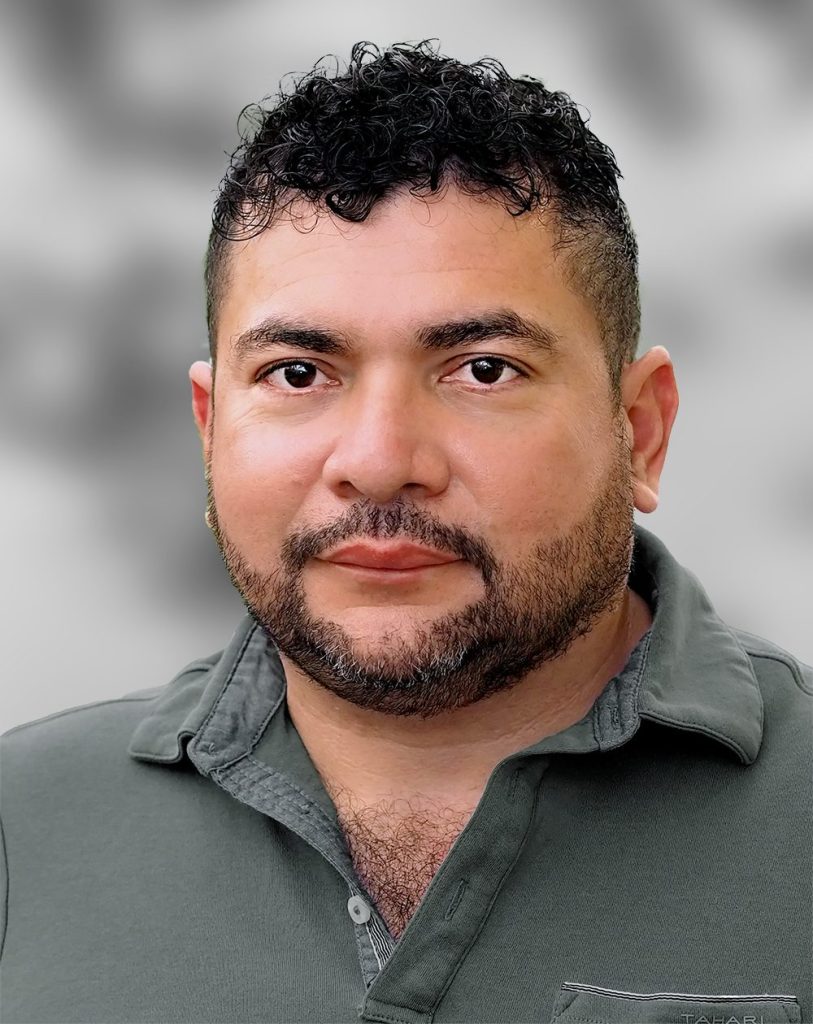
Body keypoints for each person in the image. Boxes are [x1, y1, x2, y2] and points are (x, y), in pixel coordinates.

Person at [1, 39, 810, 1024]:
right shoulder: (19, 828)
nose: (380, 459)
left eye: (483, 368)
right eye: (299, 373)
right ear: (211, 432)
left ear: (638, 430)